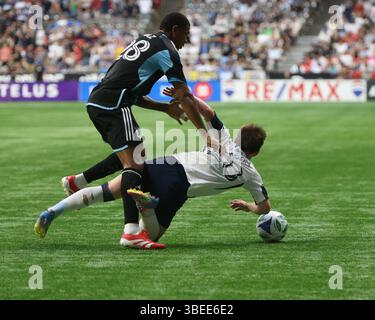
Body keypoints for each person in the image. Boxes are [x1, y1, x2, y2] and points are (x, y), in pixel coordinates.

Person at [35, 12, 208, 250]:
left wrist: (164, 109)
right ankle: (131, 232)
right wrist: (204, 133)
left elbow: (133, 93)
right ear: (175, 29)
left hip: (100, 101)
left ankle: (78, 181)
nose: (186, 41)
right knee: (135, 164)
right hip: (112, 105)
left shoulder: (145, 40)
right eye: (186, 34)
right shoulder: (168, 50)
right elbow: (184, 94)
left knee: (132, 154)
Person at [34, 97, 271, 247]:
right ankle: (147, 209)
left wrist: (185, 96)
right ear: (256, 153)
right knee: (152, 234)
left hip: (166, 164)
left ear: (238, 136)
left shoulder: (226, 139)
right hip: (179, 188)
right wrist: (248, 206)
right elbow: (265, 208)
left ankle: (53, 211)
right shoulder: (251, 174)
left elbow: (208, 112)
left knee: (108, 187)